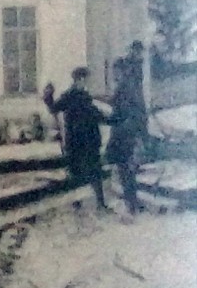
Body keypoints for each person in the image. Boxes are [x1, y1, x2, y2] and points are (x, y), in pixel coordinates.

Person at [43, 66, 108, 209]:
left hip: (86, 140)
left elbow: (97, 115)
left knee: (92, 172)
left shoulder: (83, 96)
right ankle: (79, 203)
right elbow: (54, 108)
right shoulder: (71, 96)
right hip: (79, 141)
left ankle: (98, 203)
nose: (88, 83)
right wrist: (48, 96)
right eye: (87, 79)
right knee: (79, 172)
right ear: (80, 79)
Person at [105, 58, 145, 215]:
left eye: (116, 71)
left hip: (124, 134)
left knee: (125, 168)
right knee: (125, 169)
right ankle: (132, 201)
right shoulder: (128, 86)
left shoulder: (126, 87)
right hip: (124, 132)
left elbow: (128, 111)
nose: (114, 74)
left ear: (122, 71)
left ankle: (131, 203)